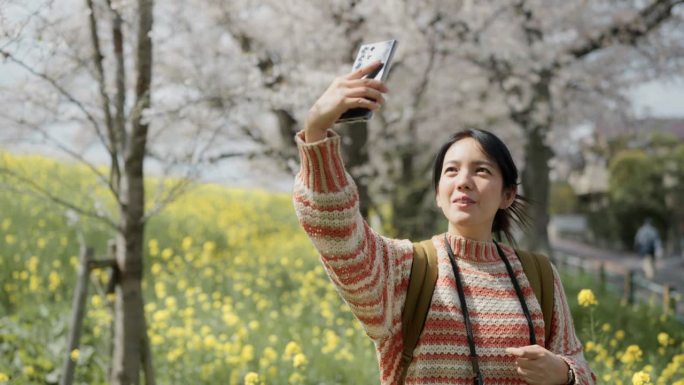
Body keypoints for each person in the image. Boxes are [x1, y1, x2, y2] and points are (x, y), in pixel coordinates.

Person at [293, 60, 595, 385]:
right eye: (451, 171)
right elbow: (337, 234)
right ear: (439, 195)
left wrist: (564, 374)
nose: (463, 181)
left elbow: (581, 370)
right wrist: (316, 133)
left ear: (508, 195)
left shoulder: (539, 275)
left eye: (481, 171)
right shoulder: (404, 268)